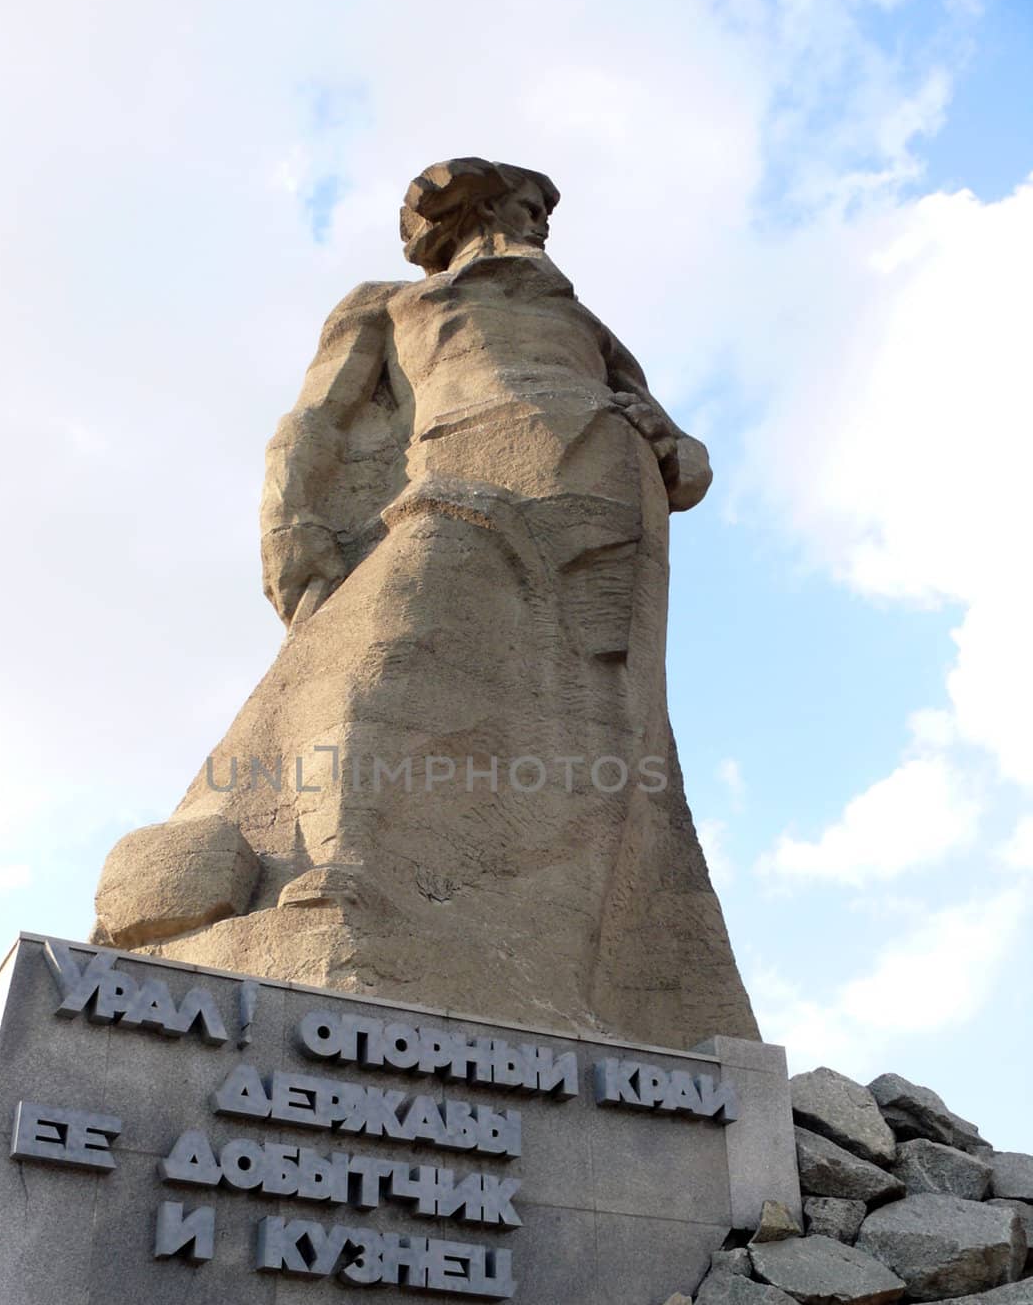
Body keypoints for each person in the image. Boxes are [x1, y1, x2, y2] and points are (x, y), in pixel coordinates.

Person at [92, 158, 759, 1049]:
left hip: (606, 501)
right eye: (531, 204)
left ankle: (580, 958)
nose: (544, 221)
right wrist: (290, 523)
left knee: (605, 731)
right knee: (386, 655)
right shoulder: (390, 304)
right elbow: (314, 422)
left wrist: (677, 452)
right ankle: (341, 870)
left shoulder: (582, 324)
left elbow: (680, 446)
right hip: (459, 480)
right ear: (479, 209)